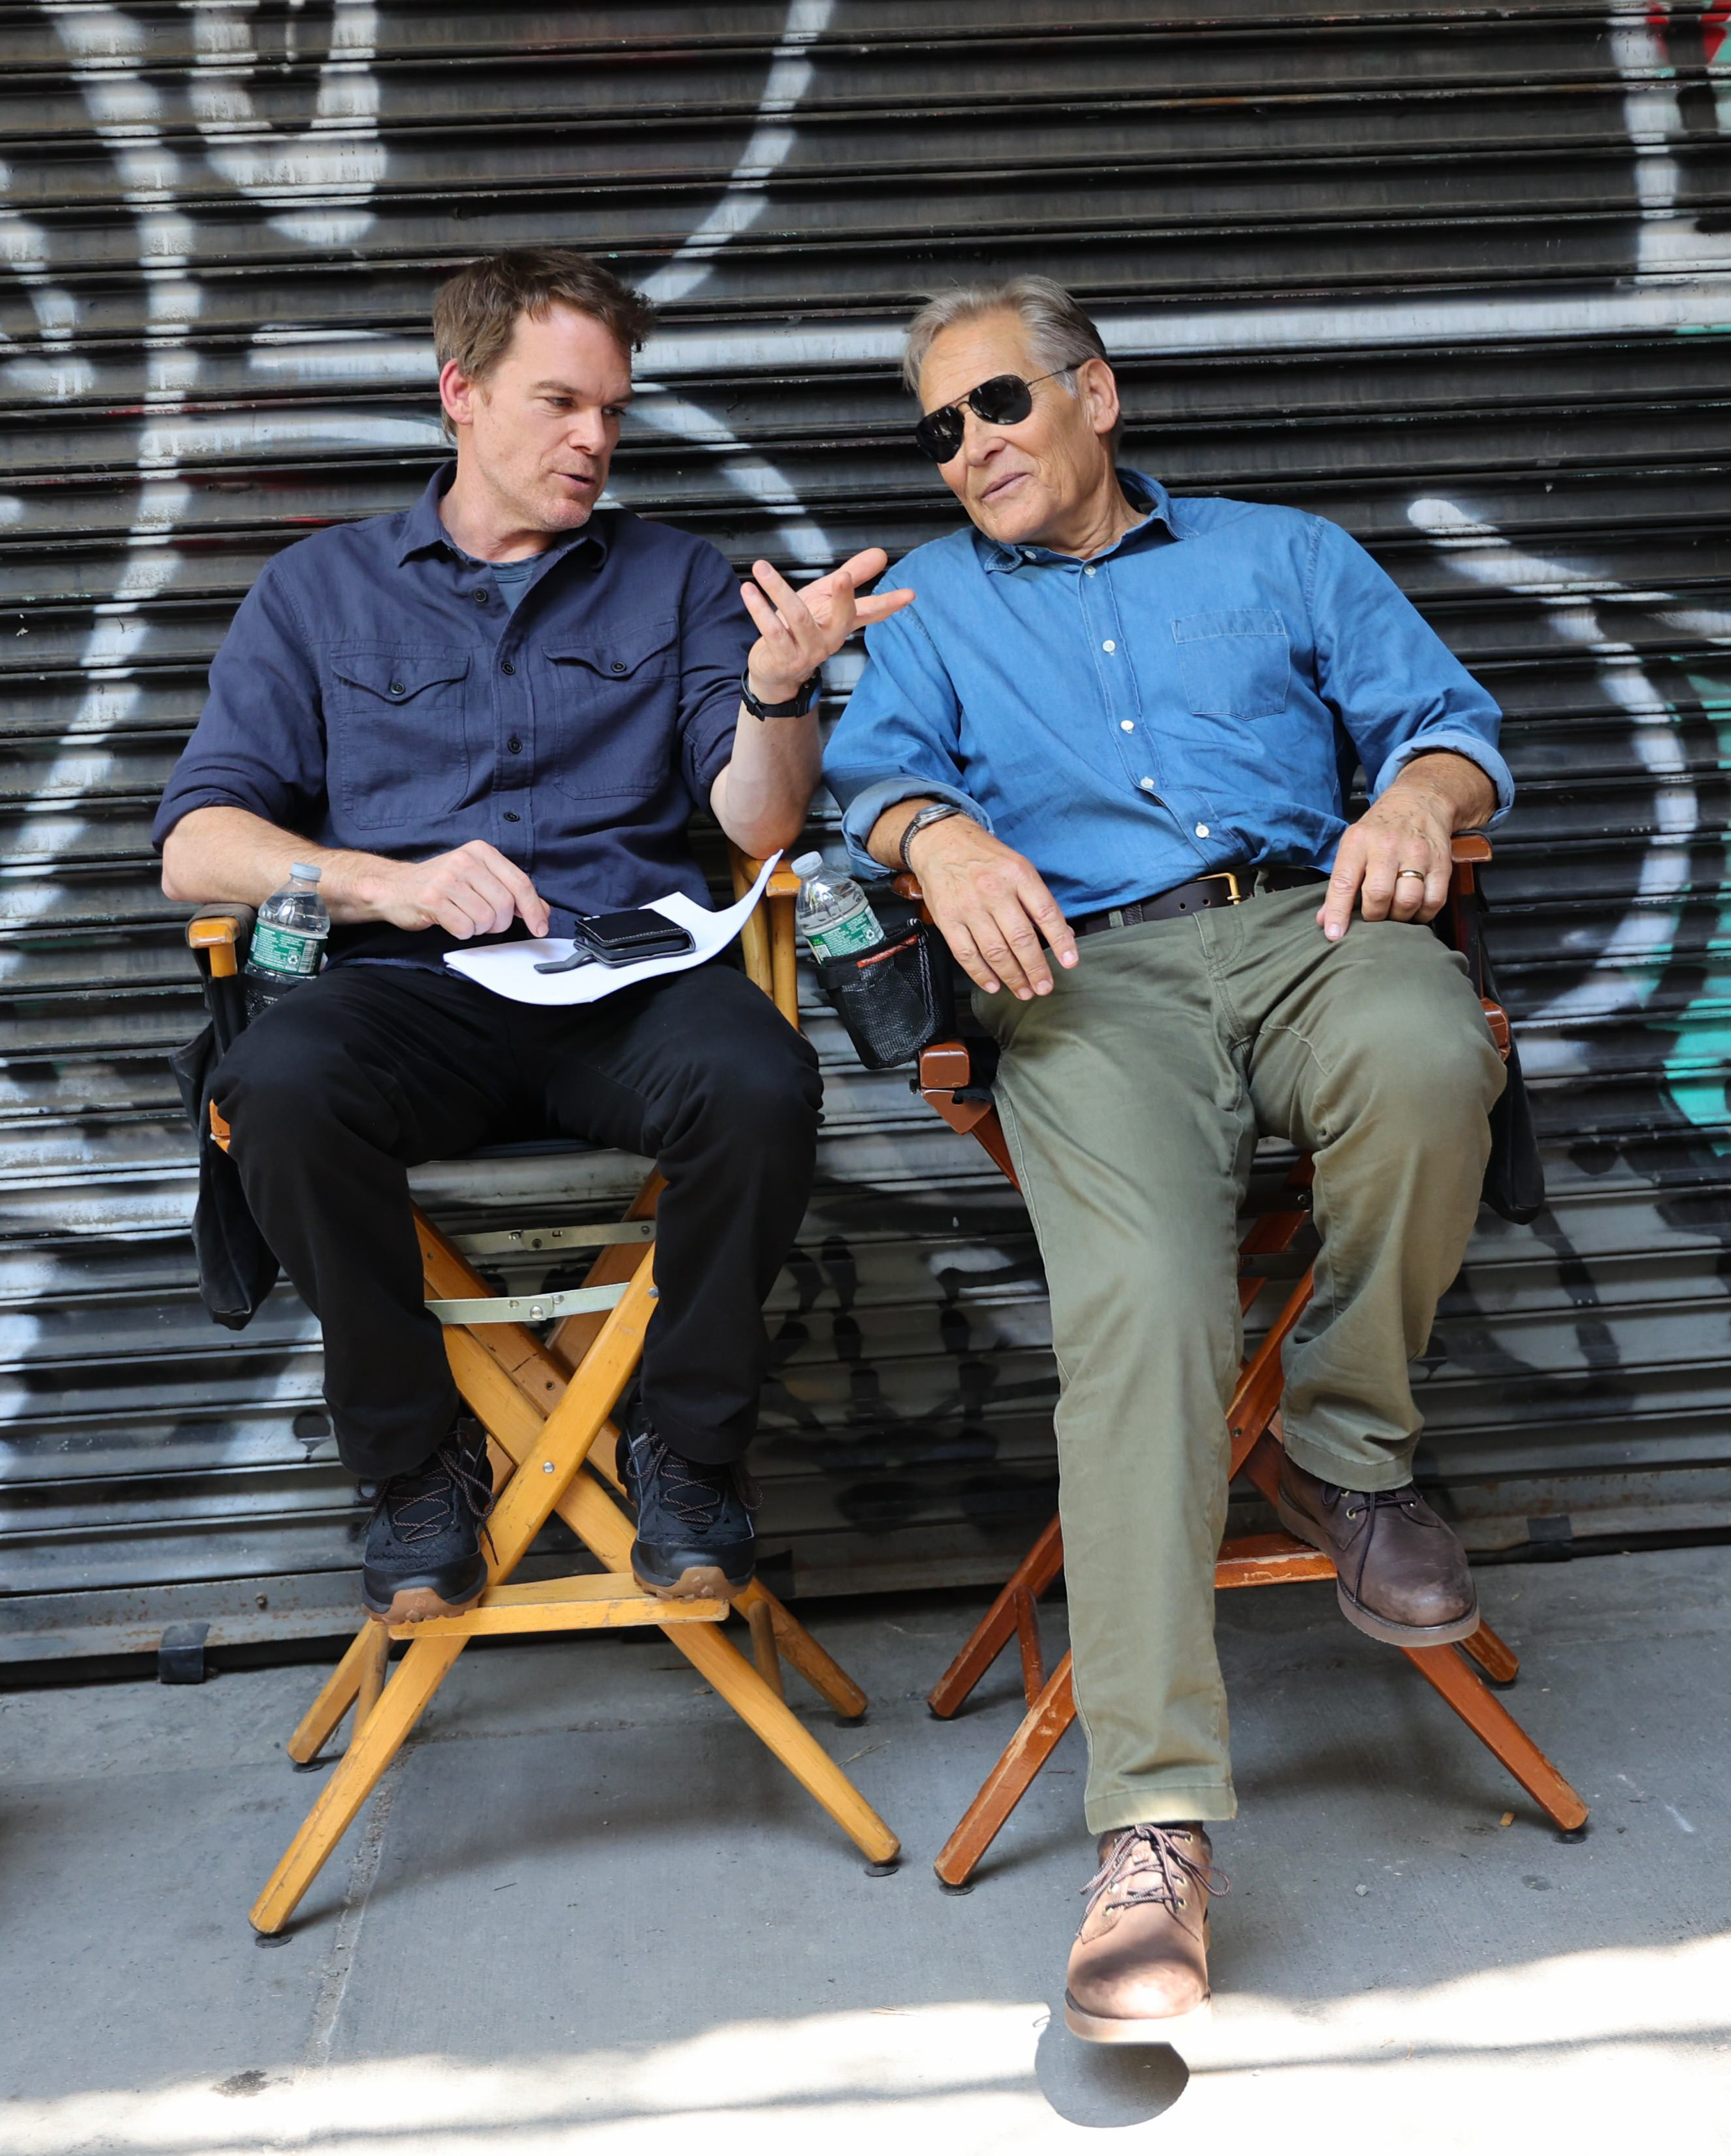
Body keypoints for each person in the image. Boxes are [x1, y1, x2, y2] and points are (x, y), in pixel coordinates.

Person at [823, 276, 1510, 2043]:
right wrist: (939, 830)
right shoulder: (923, 606)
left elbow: (1451, 725)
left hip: (1304, 924)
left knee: (1437, 1053)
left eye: (994, 406)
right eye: (937, 430)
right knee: (1139, 1304)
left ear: (1095, 396)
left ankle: (1345, 1443)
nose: (966, 449)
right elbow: (869, 787)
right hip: (1084, 980)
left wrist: (1418, 801)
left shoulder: (1284, 555)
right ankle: (1152, 1821)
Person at [156, 248, 910, 1624]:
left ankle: (685, 1449)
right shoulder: (318, 593)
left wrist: (778, 687)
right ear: (461, 391)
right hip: (406, 991)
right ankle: (416, 1462)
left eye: (614, 410)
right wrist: (381, 881)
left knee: (761, 1081)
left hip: (617, 974)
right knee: (269, 1085)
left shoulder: (677, 577)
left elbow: (757, 818)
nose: (595, 441)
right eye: (562, 403)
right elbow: (194, 844)